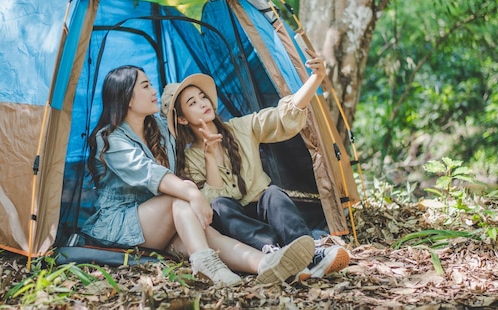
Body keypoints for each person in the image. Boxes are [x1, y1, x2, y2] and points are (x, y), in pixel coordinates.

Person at [80, 65, 314, 287]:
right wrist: (192, 192)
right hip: (122, 224)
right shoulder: (111, 139)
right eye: (145, 86)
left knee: (206, 234)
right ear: (127, 98)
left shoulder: (160, 128)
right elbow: (150, 173)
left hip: (161, 222)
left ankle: (266, 264)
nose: (153, 91)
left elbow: (177, 115)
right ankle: (206, 265)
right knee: (180, 198)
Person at [163, 51, 350, 281]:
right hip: (237, 232)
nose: (203, 104)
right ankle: (276, 257)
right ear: (182, 119)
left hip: (264, 214)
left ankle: (310, 254)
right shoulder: (190, 158)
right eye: (192, 103)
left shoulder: (241, 128)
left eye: (203, 97)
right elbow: (211, 207)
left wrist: (315, 79)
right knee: (221, 205)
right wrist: (210, 156)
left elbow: (281, 118)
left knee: (272, 193)